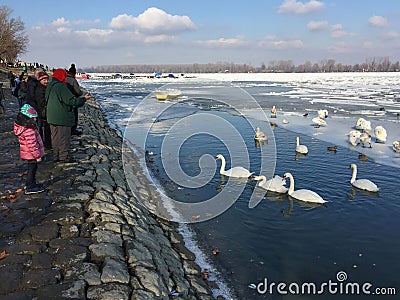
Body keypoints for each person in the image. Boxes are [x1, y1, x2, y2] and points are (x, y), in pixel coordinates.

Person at [45, 68, 89, 163]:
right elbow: (71, 101)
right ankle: (64, 157)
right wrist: (84, 99)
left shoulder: (50, 85)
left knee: (55, 138)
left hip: (51, 116)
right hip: (61, 117)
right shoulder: (61, 87)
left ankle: (56, 156)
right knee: (64, 138)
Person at [14, 104, 46, 194]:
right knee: (32, 169)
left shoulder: (23, 127)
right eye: (33, 118)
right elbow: (32, 145)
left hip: (28, 153)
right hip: (31, 154)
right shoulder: (28, 130)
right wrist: (37, 156)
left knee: (31, 169)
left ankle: (31, 184)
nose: (35, 120)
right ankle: (30, 186)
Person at [34, 71, 52, 149]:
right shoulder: (39, 89)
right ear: (40, 80)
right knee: (45, 129)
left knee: (46, 128)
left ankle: (47, 143)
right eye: (44, 80)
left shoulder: (46, 88)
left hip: (45, 111)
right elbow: (41, 102)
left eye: (47, 79)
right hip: (42, 112)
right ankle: (46, 144)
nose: (46, 81)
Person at [66, 64, 84, 135]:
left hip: (65, 101)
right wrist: (81, 93)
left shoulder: (65, 78)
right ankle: (73, 130)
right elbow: (78, 92)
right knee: (74, 116)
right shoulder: (73, 80)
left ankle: (68, 129)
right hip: (73, 100)